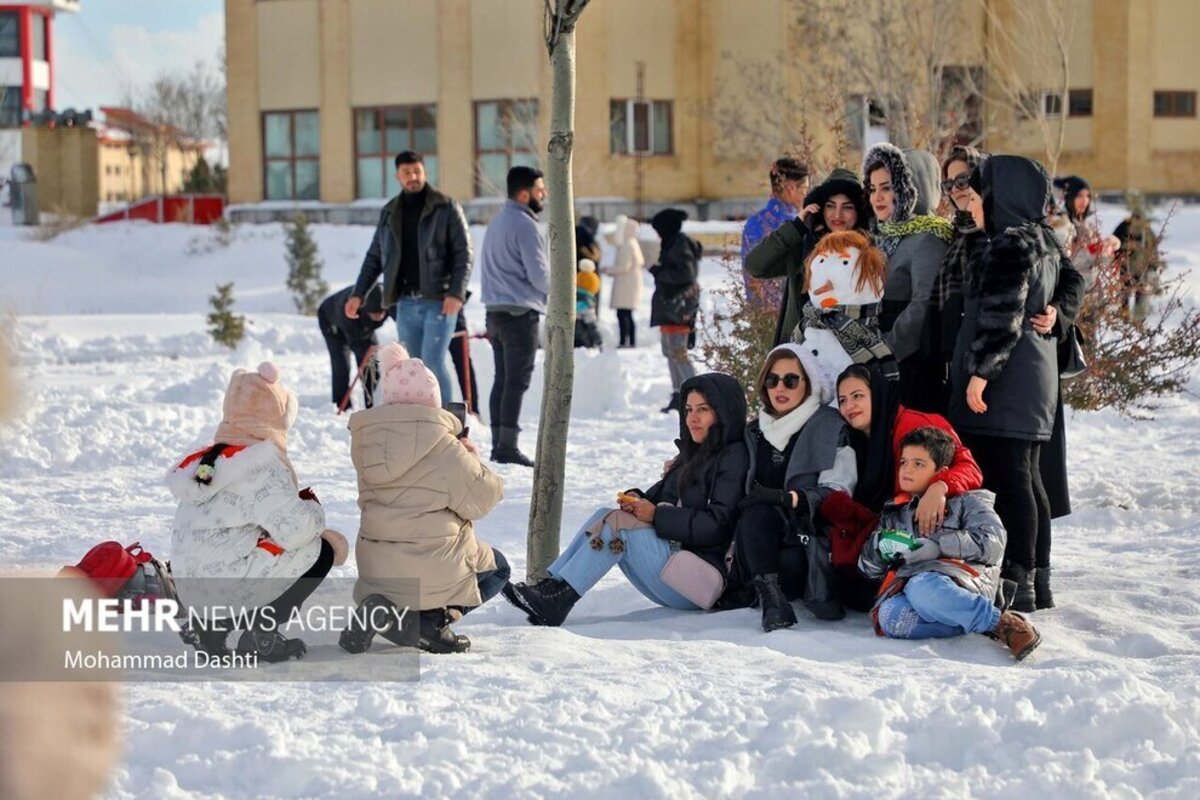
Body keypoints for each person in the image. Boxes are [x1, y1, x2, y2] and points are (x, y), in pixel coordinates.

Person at [502, 373, 748, 627]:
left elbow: (717, 525)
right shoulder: (694, 454)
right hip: (676, 564)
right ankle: (553, 586)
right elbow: (658, 497)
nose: (692, 419)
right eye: (688, 410)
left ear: (723, 412)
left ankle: (559, 599)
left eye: (703, 410)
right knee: (604, 514)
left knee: (618, 526)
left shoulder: (734, 457)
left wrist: (655, 515)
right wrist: (636, 500)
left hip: (700, 581)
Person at [948, 155, 1068, 612]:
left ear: (1000, 198)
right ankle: (1038, 576)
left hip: (1008, 383)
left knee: (1013, 480)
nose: (973, 206)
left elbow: (1000, 319)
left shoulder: (1009, 245)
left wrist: (980, 375)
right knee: (1030, 478)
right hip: (1033, 382)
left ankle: (1019, 577)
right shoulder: (1043, 240)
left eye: (978, 197)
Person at [166, 362, 349, 661]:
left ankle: (209, 627)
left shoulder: (208, 462)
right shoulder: (260, 464)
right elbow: (297, 530)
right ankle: (262, 632)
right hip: (226, 587)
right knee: (323, 549)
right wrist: (314, 508)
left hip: (193, 593)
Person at [340, 343, 507, 654]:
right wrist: (470, 458)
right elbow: (484, 498)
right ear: (434, 401)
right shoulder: (444, 446)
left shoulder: (366, 441)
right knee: (499, 569)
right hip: (429, 566)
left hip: (376, 567)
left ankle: (384, 611)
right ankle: (430, 623)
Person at [857, 427, 1041, 661]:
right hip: (912, 588)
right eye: (903, 462)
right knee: (891, 617)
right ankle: (975, 620)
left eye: (918, 464)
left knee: (922, 587)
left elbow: (993, 542)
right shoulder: (894, 513)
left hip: (963, 581)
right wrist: (878, 550)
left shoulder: (968, 502)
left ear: (940, 472)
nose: (907, 469)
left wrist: (938, 546)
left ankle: (1004, 625)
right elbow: (867, 571)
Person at [732, 344, 857, 630]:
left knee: (761, 509)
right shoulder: (754, 431)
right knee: (755, 512)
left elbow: (840, 491)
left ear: (808, 384)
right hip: (758, 547)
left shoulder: (829, 426)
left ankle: (773, 598)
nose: (780, 388)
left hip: (807, 549)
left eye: (791, 380)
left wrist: (789, 498)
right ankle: (772, 600)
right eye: (772, 380)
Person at [346, 150, 472, 403]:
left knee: (433, 361)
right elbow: (374, 258)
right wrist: (358, 295)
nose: (413, 177)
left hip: (439, 300)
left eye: (417, 171)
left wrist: (456, 292)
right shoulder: (390, 212)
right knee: (414, 366)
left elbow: (464, 253)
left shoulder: (445, 207)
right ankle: (422, 421)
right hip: (405, 303)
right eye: (407, 173)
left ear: (425, 172)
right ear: (398, 176)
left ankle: (446, 422)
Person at [862, 144, 954, 411]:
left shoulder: (928, 238)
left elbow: (922, 305)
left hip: (910, 367)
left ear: (910, 189)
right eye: (872, 188)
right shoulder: (885, 235)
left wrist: (884, 352)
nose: (877, 197)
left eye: (887, 187)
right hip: (882, 362)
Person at [745, 166, 870, 346]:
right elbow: (755, 265)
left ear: (859, 211)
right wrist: (796, 228)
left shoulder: (870, 251)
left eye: (847, 207)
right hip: (802, 355)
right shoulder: (805, 247)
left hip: (853, 357)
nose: (837, 214)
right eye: (830, 206)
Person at [479, 165, 549, 467]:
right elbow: (540, 278)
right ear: (524, 194)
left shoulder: (497, 222)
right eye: (539, 189)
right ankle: (506, 447)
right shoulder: (525, 226)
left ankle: (499, 443)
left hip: (494, 314)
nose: (543, 193)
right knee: (516, 381)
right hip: (520, 314)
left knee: (502, 379)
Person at [649, 208, 702, 413]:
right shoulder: (673, 242)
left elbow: (685, 274)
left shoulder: (680, 244)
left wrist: (659, 271)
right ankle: (679, 393)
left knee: (678, 353)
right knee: (671, 352)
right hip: (672, 309)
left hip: (678, 309)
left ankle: (693, 394)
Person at [740, 158, 809, 310]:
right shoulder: (794, 227)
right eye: (804, 189)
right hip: (788, 316)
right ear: (791, 188)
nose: (806, 194)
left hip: (759, 317)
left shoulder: (754, 222)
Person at [318, 283, 388, 410]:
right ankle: (341, 406)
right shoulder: (350, 307)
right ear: (365, 308)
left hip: (362, 325)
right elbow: (358, 345)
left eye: (382, 313)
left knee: (372, 362)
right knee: (342, 363)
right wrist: (370, 355)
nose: (380, 317)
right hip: (331, 320)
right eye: (375, 313)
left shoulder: (388, 299)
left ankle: (373, 404)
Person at [604, 214, 645, 348]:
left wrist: (608, 270)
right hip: (628, 284)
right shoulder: (633, 243)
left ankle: (625, 341)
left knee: (623, 314)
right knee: (626, 314)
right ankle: (630, 340)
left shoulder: (627, 245)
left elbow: (624, 266)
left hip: (625, 285)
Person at [574, 258, 603, 348]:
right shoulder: (587, 303)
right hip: (583, 340)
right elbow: (591, 324)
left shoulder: (574, 299)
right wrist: (598, 339)